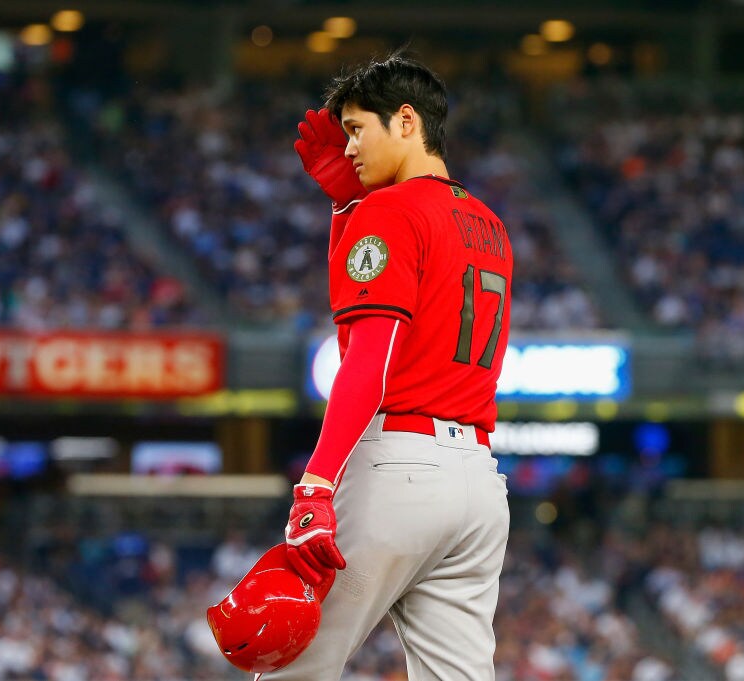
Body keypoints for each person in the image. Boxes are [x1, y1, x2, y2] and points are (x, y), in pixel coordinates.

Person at [267, 53, 513, 680]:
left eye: (356, 128)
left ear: (406, 121)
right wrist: (346, 211)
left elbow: (365, 362)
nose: (348, 146)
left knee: (291, 663)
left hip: (399, 469)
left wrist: (317, 484)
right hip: (480, 482)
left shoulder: (389, 211)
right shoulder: (490, 224)